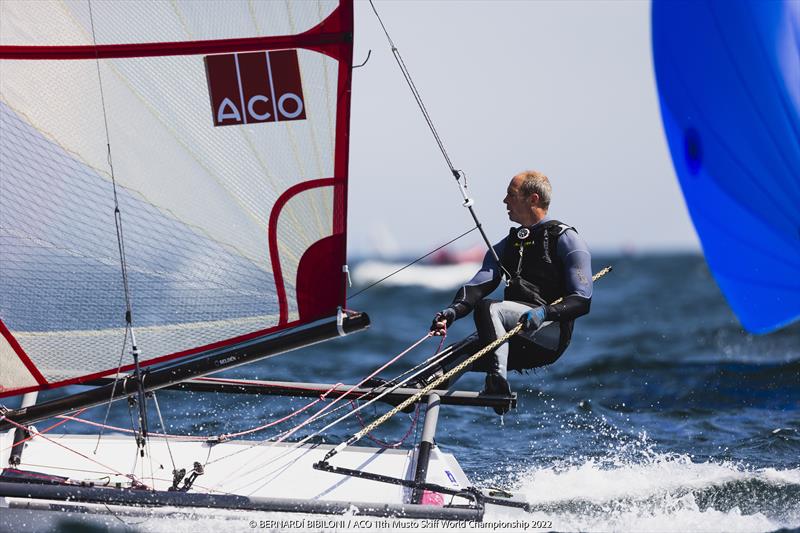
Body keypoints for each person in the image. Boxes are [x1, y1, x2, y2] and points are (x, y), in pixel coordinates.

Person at [430, 170, 592, 413]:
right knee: (449, 360)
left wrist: (543, 313)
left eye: (511, 195)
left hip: (548, 335)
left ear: (533, 199)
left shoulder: (567, 240)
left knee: (489, 308)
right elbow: (477, 287)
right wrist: (451, 312)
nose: (504, 201)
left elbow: (582, 300)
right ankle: (411, 393)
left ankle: (498, 382)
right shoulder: (507, 246)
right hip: (509, 335)